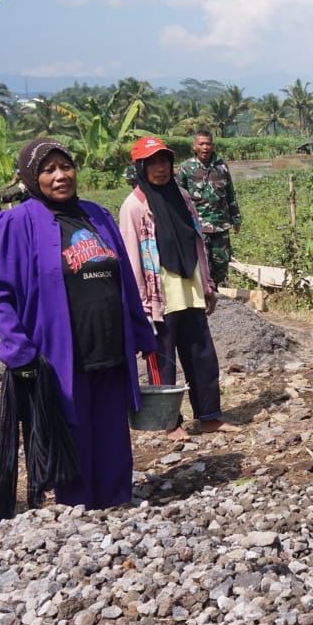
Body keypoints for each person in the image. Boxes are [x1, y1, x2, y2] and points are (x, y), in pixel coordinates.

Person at [0, 139, 157, 509]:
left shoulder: (98, 216)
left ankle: (116, 504)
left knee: (111, 432)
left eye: (66, 166)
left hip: (108, 346)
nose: (61, 176)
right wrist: (18, 348)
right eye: (49, 169)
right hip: (58, 353)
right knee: (72, 433)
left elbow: (123, 278)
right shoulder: (16, 224)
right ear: (31, 177)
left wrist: (141, 331)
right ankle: (77, 511)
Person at [119, 136, 239, 439]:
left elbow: (197, 242)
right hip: (159, 294)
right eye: (153, 163)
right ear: (140, 167)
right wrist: (140, 303)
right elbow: (132, 258)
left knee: (202, 354)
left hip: (190, 286)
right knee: (163, 358)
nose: (160, 169)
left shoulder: (183, 196)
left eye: (164, 162)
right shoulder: (134, 206)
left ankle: (209, 415)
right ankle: (169, 422)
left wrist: (208, 284)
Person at [176, 130, 241, 287]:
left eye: (208, 144)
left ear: (213, 145)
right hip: (198, 228)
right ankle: (205, 297)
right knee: (203, 265)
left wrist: (236, 217)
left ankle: (221, 297)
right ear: (194, 146)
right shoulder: (186, 168)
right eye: (201, 144)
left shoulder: (222, 167)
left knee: (222, 263)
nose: (205, 147)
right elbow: (178, 198)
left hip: (221, 226)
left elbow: (230, 193)